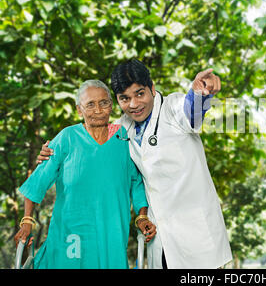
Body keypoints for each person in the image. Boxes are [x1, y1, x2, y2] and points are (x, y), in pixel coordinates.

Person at [39, 60, 232, 269]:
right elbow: (87, 148)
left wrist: (201, 94)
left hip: (196, 235)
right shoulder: (121, 129)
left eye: (140, 94)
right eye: (125, 98)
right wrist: (51, 153)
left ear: (152, 88)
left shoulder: (173, 108)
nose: (133, 104)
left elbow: (191, 112)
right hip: (160, 237)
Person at [15, 80, 156, 269]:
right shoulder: (67, 137)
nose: (98, 109)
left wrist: (142, 216)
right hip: (70, 235)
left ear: (111, 105)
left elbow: (136, 181)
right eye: (90, 104)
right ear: (79, 110)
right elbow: (37, 182)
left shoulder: (123, 137)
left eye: (103, 102)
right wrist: (27, 220)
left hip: (110, 235)